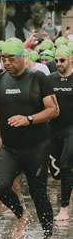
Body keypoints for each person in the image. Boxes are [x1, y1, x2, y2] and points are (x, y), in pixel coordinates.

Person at [0, 37, 58, 239]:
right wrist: (0, 134)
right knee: (0, 186)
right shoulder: (0, 79)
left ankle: (48, 237)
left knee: (39, 194)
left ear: (22, 57)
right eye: (2, 59)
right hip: (10, 147)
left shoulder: (38, 78)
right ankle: (21, 215)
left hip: (36, 147)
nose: (6, 63)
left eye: (11, 58)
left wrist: (28, 119)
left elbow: (53, 110)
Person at [50, 46, 73, 223]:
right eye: (56, 60)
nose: (58, 64)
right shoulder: (50, 79)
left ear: (70, 59)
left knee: (65, 165)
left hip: (71, 130)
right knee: (57, 173)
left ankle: (64, 208)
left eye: (62, 60)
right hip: (54, 130)